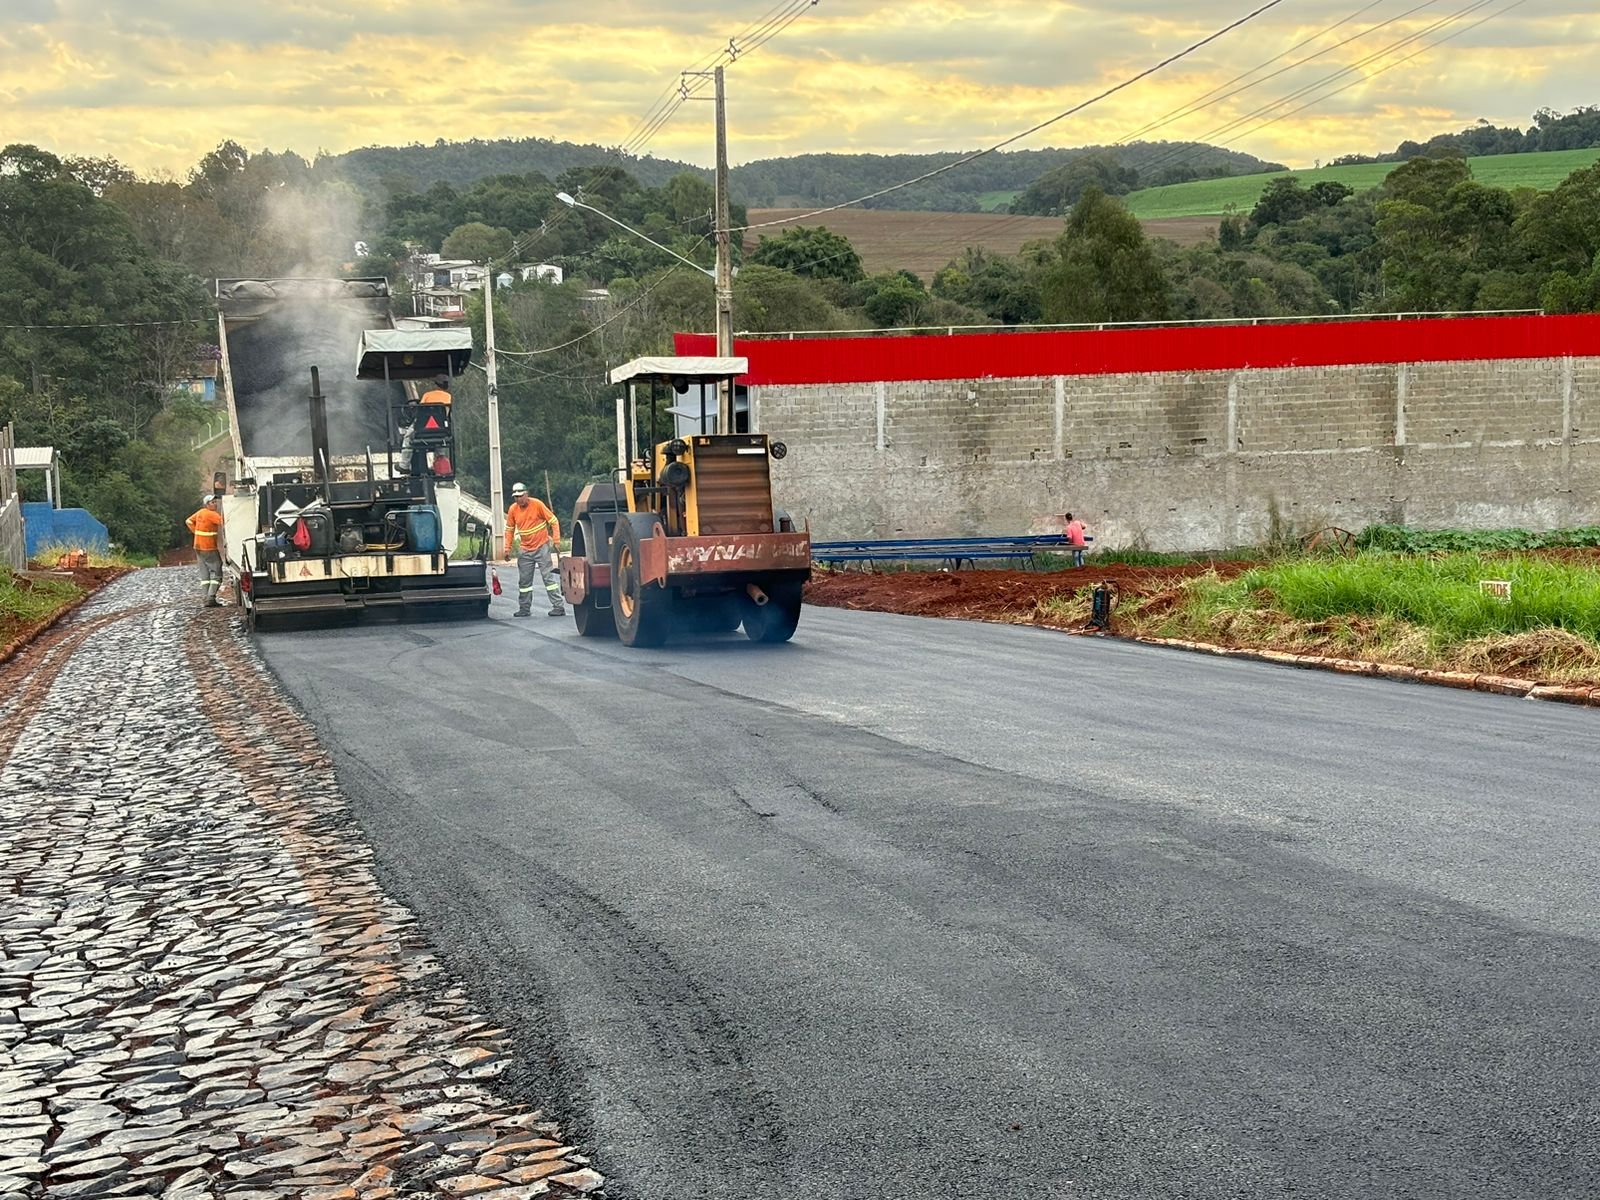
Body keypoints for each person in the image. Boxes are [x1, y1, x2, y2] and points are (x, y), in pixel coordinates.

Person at [504, 482, 565, 618]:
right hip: (525, 550)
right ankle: (524, 608)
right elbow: (509, 530)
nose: (518, 499)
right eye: (515, 497)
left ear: (526, 494)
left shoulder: (537, 504)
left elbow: (553, 521)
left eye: (520, 496)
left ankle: (558, 607)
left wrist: (556, 541)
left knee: (548, 578)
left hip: (541, 546)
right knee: (524, 582)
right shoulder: (513, 509)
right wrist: (507, 549)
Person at [186, 494, 226, 608]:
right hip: (209, 547)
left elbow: (188, 521)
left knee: (205, 573)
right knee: (217, 570)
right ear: (207, 504)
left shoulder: (200, 512)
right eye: (213, 502)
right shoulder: (211, 514)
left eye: (215, 502)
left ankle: (206, 597)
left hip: (198, 546)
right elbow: (224, 522)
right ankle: (211, 597)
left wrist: (196, 533)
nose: (215, 504)